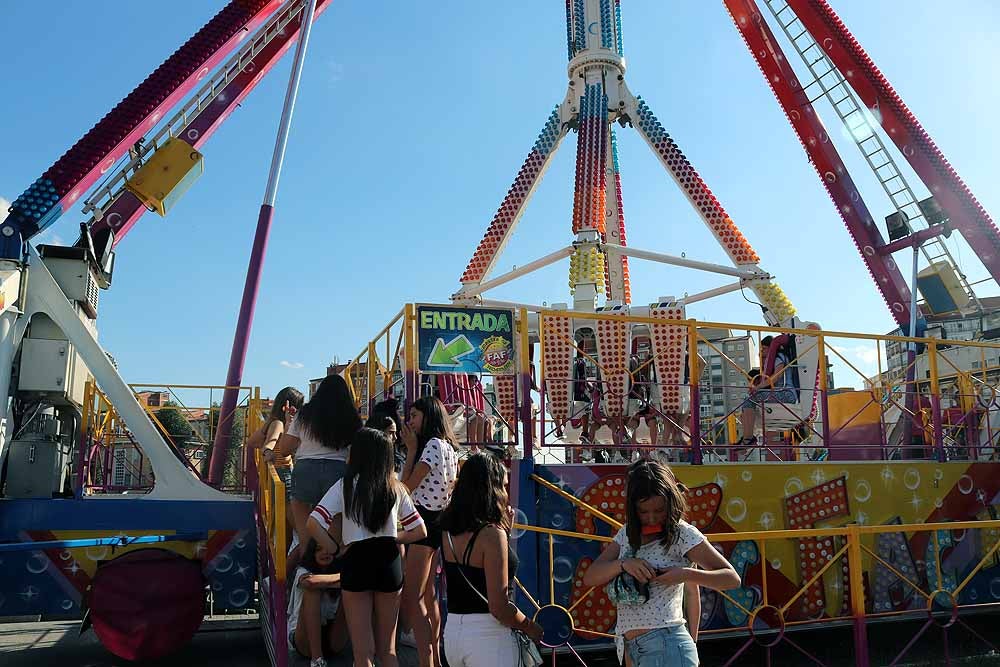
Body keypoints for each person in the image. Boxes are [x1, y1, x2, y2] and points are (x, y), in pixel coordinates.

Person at [582, 460, 740, 666]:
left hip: (667, 643)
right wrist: (623, 564)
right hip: (630, 647)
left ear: (671, 503)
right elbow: (591, 577)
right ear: (632, 507)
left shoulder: (682, 533)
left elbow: (731, 579)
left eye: (659, 510)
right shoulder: (627, 534)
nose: (651, 518)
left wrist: (684, 574)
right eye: (643, 511)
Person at [308, 428, 427, 667]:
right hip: (389, 561)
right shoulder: (396, 487)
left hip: (356, 560)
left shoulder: (345, 486)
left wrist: (333, 547)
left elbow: (313, 522)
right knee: (388, 649)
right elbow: (420, 531)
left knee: (362, 653)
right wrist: (394, 539)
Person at [440, 453, 543, 666]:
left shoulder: (447, 529)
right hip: (488, 637)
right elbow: (499, 607)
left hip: (453, 633)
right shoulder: (492, 535)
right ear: (491, 489)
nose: (506, 493)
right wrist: (531, 627)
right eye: (503, 486)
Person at [401, 396, 460, 667]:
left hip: (422, 522)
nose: (409, 421)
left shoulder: (432, 446)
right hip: (438, 522)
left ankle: (427, 660)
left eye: (414, 415)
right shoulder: (448, 447)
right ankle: (434, 655)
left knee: (413, 598)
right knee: (429, 594)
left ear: (428, 417)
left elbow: (405, 489)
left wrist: (411, 450)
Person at [276, 375, 362, 561]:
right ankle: (333, 560)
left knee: (304, 521)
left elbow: (284, 449)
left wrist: (288, 422)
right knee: (336, 517)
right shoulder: (351, 417)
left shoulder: (304, 414)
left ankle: (308, 561)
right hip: (337, 472)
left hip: (305, 469)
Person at [287, 538, 348, 667]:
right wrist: (344, 577)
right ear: (312, 553)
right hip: (304, 640)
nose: (324, 553)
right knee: (312, 591)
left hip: (334, 637)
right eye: (318, 549)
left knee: (350, 592)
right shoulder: (302, 570)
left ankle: (365, 657)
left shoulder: (341, 568)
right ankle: (317, 660)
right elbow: (310, 582)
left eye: (328, 549)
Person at [735, 336, 797, 449]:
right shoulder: (772, 360)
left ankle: (749, 437)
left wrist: (758, 387)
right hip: (781, 393)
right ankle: (748, 436)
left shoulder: (779, 358)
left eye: (764, 348)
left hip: (787, 393)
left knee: (751, 399)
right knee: (748, 401)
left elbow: (776, 377)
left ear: (771, 348)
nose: (762, 351)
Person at [250, 386, 305, 494]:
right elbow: (269, 443)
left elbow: (252, 441)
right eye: (298, 406)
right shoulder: (278, 424)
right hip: (283, 473)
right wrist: (268, 451)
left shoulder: (274, 422)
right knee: (286, 509)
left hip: (282, 472)